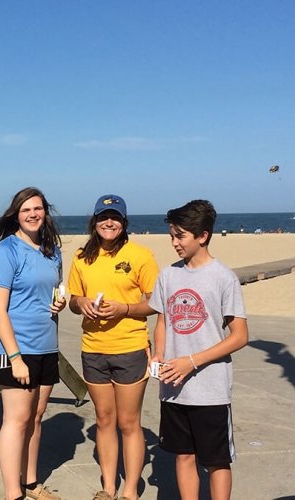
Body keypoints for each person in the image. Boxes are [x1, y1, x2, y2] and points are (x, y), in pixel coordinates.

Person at [149, 200, 248, 500]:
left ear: (202, 236)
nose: (174, 243)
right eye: (172, 236)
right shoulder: (168, 275)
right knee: (183, 455)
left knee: (216, 460)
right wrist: (159, 354)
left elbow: (240, 335)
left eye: (180, 236)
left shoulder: (223, 277)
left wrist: (192, 361)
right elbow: (163, 321)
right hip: (174, 388)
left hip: (211, 389)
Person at [67, 194, 158, 500]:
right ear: (94, 221)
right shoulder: (81, 257)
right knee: (104, 420)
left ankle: (130, 490)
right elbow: (72, 300)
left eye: (115, 218)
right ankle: (108, 488)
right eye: (104, 217)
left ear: (124, 222)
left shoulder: (141, 255)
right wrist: (82, 304)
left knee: (129, 422)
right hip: (93, 348)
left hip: (130, 347)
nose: (109, 223)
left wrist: (125, 309)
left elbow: (155, 303)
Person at [0, 187, 66, 500]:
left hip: (47, 345)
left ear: (45, 211)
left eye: (38, 209)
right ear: (16, 215)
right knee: (16, 421)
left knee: (36, 416)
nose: (33, 214)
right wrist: (15, 356)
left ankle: (31, 482)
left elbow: (57, 287)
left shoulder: (52, 250)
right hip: (16, 349)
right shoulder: (6, 251)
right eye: (26, 210)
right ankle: (13, 493)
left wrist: (60, 302)